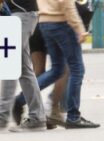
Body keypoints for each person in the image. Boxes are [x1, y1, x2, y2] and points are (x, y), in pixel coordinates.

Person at [13, 0, 99, 128]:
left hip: (44, 21)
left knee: (57, 70)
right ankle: (73, 116)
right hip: (61, 22)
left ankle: (20, 100)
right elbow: (66, 3)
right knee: (76, 69)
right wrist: (79, 28)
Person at [0, 0, 47, 132]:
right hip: (20, 14)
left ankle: (2, 115)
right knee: (23, 69)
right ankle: (37, 118)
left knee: (9, 63)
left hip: (21, 14)